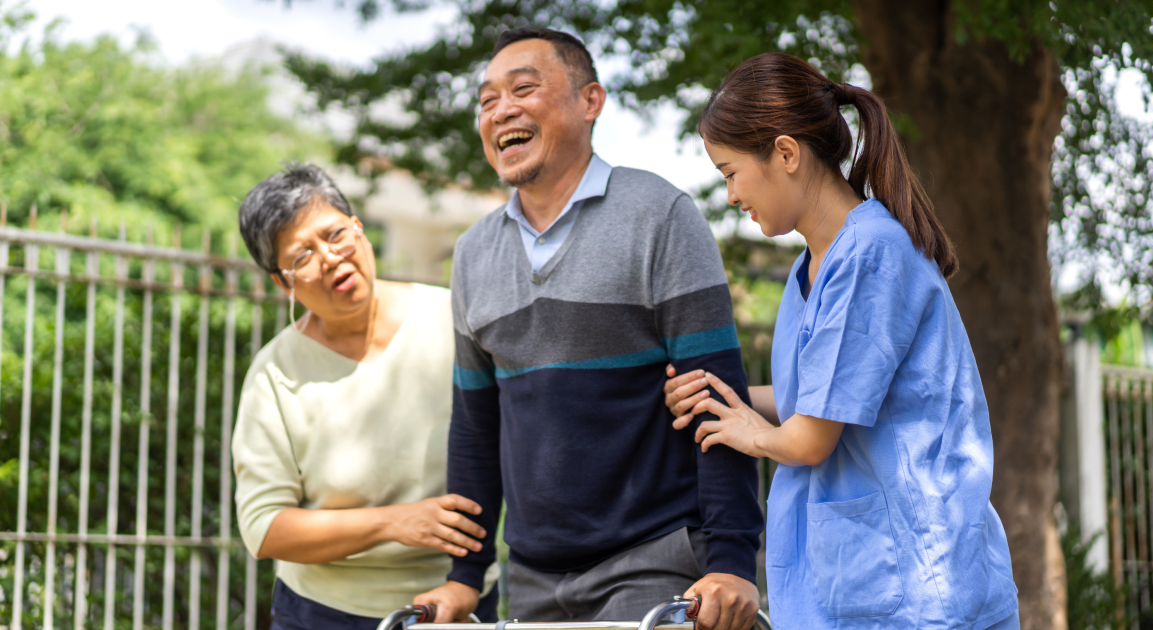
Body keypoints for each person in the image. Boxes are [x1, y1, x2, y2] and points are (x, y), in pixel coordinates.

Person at [413, 28, 764, 630]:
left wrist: (733, 561)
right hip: (530, 580)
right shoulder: (472, 254)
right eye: (487, 100)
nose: (502, 111)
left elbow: (718, 396)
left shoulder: (660, 215)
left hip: (654, 566)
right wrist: (464, 578)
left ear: (590, 101)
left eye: (524, 89)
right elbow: (475, 427)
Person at [663, 52, 1021, 629]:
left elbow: (809, 439)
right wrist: (721, 395)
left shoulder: (871, 253)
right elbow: (823, 396)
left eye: (730, 172)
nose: (731, 195)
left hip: (916, 591)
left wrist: (749, 434)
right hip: (850, 587)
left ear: (785, 153)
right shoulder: (813, 267)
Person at [231, 164, 498, 630]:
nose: (330, 258)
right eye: (303, 256)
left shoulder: (453, 321)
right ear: (282, 282)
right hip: (321, 613)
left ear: (360, 230)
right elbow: (264, 527)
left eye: (335, 234)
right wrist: (393, 523)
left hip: (457, 605)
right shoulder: (275, 374)